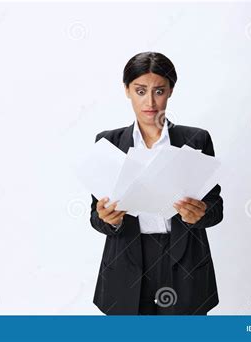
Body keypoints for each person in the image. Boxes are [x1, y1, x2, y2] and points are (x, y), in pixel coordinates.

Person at [89, 51, 223, 315]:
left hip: (184, 262)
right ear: (127, 90)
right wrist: (108, 219)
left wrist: (199, 213)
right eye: (140, 91)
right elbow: (95, 216)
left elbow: (216, 208)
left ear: (171, 90)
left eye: (159, 91)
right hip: (126, 263)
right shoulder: (109, 143)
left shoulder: (195, 140)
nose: (150, 101)